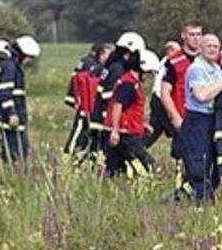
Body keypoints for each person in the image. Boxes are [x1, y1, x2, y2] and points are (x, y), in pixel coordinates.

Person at [180, 33, 222, 201]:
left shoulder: (216, 69)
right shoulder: (196, 69)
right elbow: (201, 95)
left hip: (213, 120)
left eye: (216, 46)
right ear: (200, 48)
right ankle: (203, 205)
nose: (213, 49)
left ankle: (182, 199)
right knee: (199, 166)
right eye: (209, 46)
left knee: (214, 164)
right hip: (197, 121)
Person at [91, 31, 146, 163]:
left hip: (101, 116)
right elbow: (112, 98)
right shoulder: (118, 69)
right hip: (105, 118)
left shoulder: (113, 66)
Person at [105, 48, 161, 178]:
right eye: (148, 73)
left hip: (124, 131)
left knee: (116, 169)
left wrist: (142, 124)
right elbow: (118, 106)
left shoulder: (130, 82)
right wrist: (115, 130)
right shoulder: (129, 84)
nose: (147, 77)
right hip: (126, 134)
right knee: (147, 166)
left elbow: (129, 109)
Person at [161, 22, 203, 195]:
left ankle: (197, 190)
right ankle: (179, 195)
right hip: (183, 116)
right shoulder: (174, 62)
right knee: (182, 157)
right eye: (192, 34)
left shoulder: (207, 58)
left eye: (199, 34)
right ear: (183, 36)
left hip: (203, 115)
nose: (196, 38)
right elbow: (165, 92)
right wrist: (175, 116)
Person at [64, 42, 112, 160]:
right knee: (79, 129)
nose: (108, 59)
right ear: (100, 54)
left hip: (83, 102)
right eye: (106, 55)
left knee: (84, 131)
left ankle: (80, 154)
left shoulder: (84, 61)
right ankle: (69, 154)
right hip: (85, 104)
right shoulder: (92, 66)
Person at [0, 35, 40, 163]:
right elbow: (5, 92)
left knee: (22, 152)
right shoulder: (10, 68)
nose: (28, 61)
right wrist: (11, 113)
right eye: (29, 58)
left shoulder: (15, 67)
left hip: (18, 119)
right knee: (15, 153)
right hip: (11, 120)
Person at [144, 40, 181, 149]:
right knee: (177, 128)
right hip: (162, 100)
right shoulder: (168, 64)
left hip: (159, 99)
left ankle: (140, 147)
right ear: (169, 51)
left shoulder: (165, 62)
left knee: (156, 129)